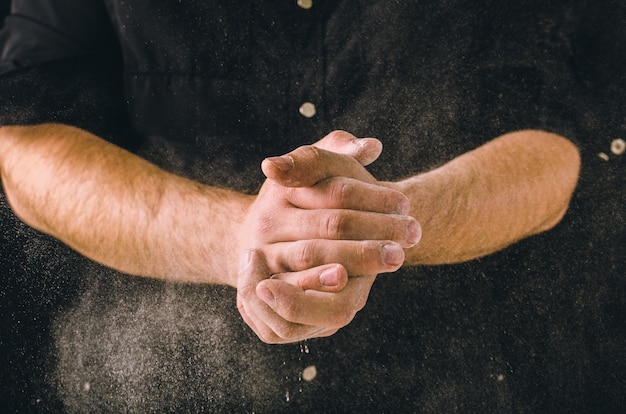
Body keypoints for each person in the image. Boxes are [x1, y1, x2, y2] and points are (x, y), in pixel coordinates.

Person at [0, 0, 592, 412]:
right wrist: (245, 241)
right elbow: (26, 147)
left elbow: (551, 152)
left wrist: (370, 230)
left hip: (463, 387)